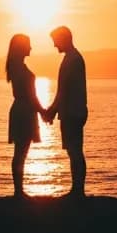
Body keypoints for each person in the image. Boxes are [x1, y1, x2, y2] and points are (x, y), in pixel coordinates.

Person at [43, 25, 88, 198]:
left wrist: (51, 110)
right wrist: (54, 110)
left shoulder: (73, 60)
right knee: (74, 150)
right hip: (73, 111)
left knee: (75, 150)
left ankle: (78, 191)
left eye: (55, 41)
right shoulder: (72, 58)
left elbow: (63, 90)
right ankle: (77, 189)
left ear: (63, 39)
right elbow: (63, 90)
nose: (54, 45)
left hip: (72, 112)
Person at [5, 33, 47, 198]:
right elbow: (31, 96)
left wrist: (42, 112)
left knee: (21, 151)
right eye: (28, 44)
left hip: (23, 110)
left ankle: (18, 190)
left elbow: (31, 96)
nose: (31, 47)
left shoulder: (16, 67)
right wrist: (44, 112)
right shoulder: (19, 68)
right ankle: (18, 192)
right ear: (21, 47)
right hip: (24, 111)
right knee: (21, 152)